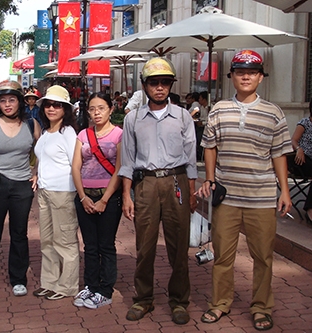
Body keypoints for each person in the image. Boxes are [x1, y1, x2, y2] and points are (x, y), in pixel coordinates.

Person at [197, 50, 292, 331]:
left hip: (261, 197)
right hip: (226, 197)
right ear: (232, 77)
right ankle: (219, 303)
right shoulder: (219, 109)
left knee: (262, 257)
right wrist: (210, 179)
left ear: (261, 77)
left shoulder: (273, 112)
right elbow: (210, 146)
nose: (246, 76)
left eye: (252, 72)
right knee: (223, 255)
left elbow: (279, 155)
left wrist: (284, 191)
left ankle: (262, 307)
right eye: (240, 72)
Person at [118, 57, 197, 325]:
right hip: (146, 184)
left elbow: (190, 156)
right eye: (154, 82)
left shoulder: (183, 116)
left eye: (165, 82)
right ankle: (143, 298)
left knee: (178, 246)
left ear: (171, 85)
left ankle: (179, 301)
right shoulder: (133, 119)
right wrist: (126, 195)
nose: (160, 87)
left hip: (176, 182)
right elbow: (127, 160)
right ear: (144, 86)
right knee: (145, 246)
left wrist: (191, 191)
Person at [0, 80, 41, 301]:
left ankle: (19, 278)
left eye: (12, 100)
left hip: (22, 185)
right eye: (3, 101)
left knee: (19, 234)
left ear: (20, 102)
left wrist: (36, 172)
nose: (8, 105)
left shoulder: (32, 124)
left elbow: (42, 151)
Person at [72, 92, 123, 309]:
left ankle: (105, 289)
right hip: (85, 197)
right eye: (92, 109)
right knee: (90, 246)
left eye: (101, 108)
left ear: (111, 109)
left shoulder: (119, 135)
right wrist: (82, 196)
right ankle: (91, 285)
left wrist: (105, 199)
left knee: (106, 245)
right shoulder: (83, 134)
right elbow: (75, 166)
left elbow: (120, 168)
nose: (96, 113)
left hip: (109, 198)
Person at [33, 85, 79, 300]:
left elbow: (76, 164)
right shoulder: (45, 132)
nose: (51, 109)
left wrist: (81, 193)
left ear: (65, 109)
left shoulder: (68, 133)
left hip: (63, 193)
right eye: (48, 105)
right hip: (44, 191)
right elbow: (44, 159)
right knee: (47, 241)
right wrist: (36, 175)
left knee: (65, 241)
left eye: (57, 105)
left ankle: (67, 285)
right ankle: (50, 282)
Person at [291, 100, 312, 225]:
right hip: (303, 159)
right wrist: (299, 149)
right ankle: (310, 210)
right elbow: (293, 140)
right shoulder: (305, 123)